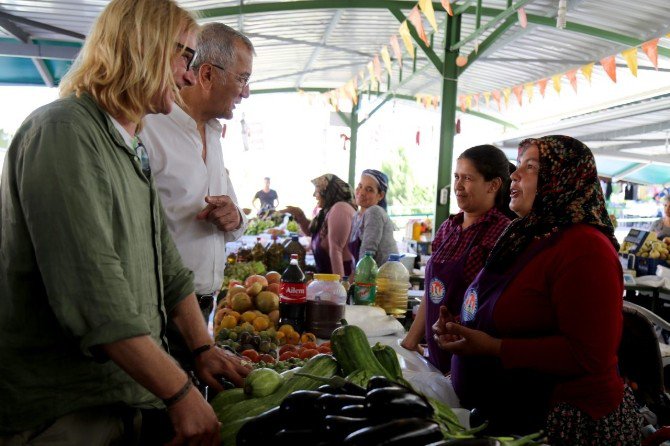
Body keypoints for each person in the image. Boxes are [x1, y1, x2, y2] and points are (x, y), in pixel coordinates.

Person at [0, 2, 248, 444]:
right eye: (185, 58)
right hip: (69, 407)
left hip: (125, 393)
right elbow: (96, 295)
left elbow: (169, 269)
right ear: (142, 47)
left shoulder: (129, 145)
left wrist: (202, 348)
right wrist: (181, 393)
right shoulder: (63, 131)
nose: (189, 76)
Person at [435, 136, 641, 444]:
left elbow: (589, 354)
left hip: (566, 423)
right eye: (518, 166)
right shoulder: (525, 235)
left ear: (564, 178)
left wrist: (494, 347)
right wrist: (463, 328)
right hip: (508, 415)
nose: (515, 175)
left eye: (531, 167)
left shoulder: (585, 247)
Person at [140, 23, 253, 364]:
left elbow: (238, 222)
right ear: (206, 75)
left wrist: (234, 216)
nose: (245, 92)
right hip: (159, 310)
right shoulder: (149, 127)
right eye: (242, 78)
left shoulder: (214, 133)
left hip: (203, 305)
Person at [401, 145, 512, 373]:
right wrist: (411, 341)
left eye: (468, 178)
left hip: (471, 358)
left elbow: (493, 304)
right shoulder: (448, 228)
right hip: (436, 351)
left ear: (493, 184)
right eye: (456, 177)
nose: (458, 186)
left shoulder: (502, 232)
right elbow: (432, 293)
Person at [284, 174, 356, 277]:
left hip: (338, 281)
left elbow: (336, 251)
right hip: (327, 282)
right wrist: (300, 216)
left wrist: (340, 287)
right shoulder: (327, 210)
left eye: (317, 190)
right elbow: (312, 232)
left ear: (327, 191)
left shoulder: (340, 209)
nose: (314, 195)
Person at [349, 169, 398, 266]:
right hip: (369, 276)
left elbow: (367, 253)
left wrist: (355, 277)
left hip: (383, 278)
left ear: (380, 195)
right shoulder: (357, 216)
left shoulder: (374, 212)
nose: (361, 192)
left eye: (369, 189)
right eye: (360, 186)